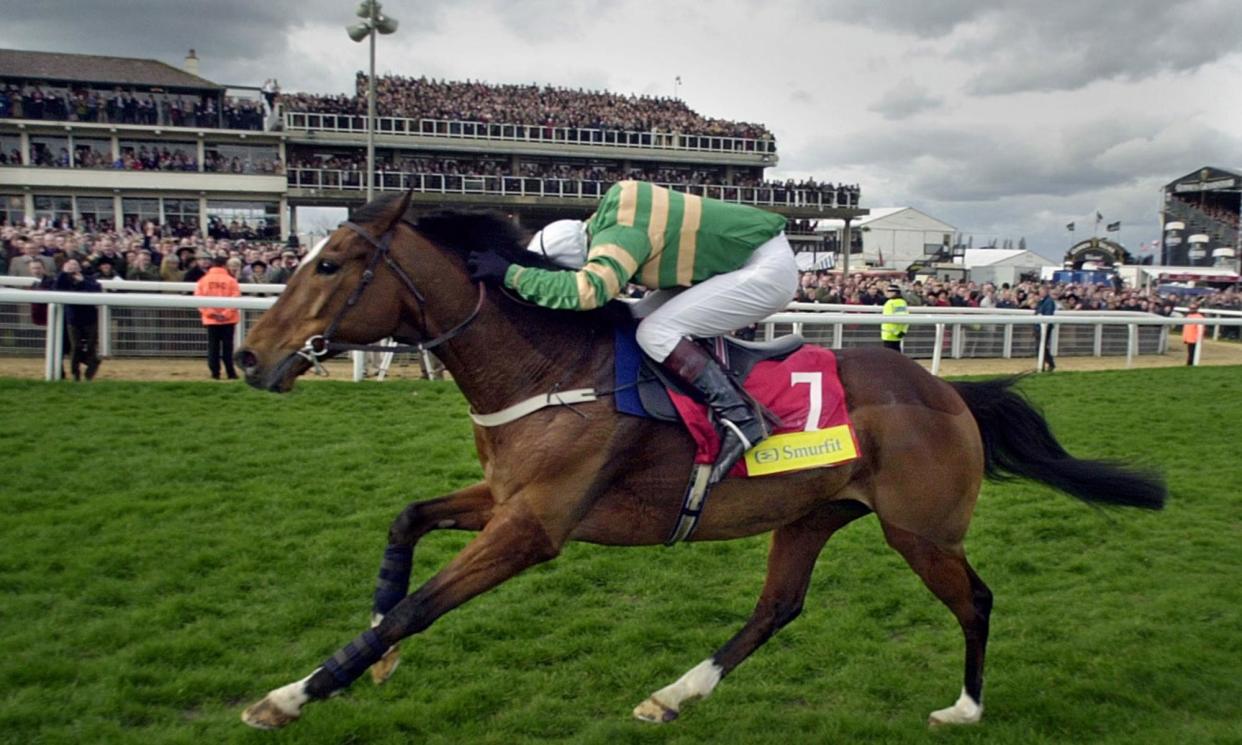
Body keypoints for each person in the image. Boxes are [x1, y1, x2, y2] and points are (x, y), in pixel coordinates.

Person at [467, 180, 797, 485]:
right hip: (738, 260)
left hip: (764, 267)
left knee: (656, 333)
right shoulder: (606, 220)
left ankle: (742, 418)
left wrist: (511, 275)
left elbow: (588, 292)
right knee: (636, 318)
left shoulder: (618, 236)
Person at [194, 255, 241, 380]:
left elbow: (199, 299)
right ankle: (231, 372)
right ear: (225, 266)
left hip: (211, 320)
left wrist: (211, 313)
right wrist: (226, 313)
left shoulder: (203, 280)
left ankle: (215, 373)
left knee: (213, 347)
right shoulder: (231, 280)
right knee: (228, 347)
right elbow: (235, 298)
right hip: (228, 320)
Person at [55, 259, 102, 381]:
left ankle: (89, 373)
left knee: (91, 348)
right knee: (76, 347)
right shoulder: (64, 279)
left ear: (79, 268)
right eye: (69, 265)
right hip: (73, 319)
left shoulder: (89, 279)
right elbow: (56, 289)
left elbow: (97, 290)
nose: (72, 267)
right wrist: (63, 273)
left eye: (75, 264)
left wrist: (82, 282)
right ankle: (75, 374)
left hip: (89, 318)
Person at [880, 283, 909, 352]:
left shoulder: (890, 303)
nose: (886, 293)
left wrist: (896, 332)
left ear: (894, 292)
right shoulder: (903, 302)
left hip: (889, 335)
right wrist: (903, 331)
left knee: (889, 357)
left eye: (888, 291)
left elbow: (889, 319)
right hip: (898, 334)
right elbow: (906, 318)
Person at [1034, 285, 1057, 372]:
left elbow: (1047, 314)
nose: (1039, 293)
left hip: (1044, 327)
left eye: (1040, 291)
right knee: (1040, 347)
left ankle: (1048, 364)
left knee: (1041, 347)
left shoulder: (1048, 302)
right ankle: (1045, 364)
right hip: (1039, 327)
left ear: (1045, 291)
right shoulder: (1042, 301)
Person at [1181, 301, 1205, 366]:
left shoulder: (1199, 317)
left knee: (1192, 354)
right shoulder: (1188, 316)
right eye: (1190, 308)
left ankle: (1189, 365)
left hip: (1194, 339)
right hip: (1189, 338)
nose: (1191, 309)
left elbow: (1201, 330)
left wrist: (1198, 339)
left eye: (1193, 308)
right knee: (1190, 353)